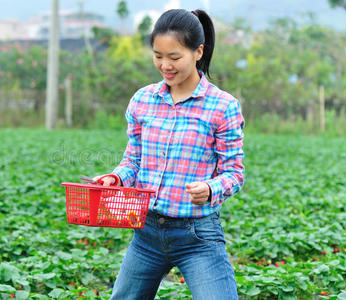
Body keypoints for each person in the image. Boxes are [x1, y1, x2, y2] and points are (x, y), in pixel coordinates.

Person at [93, 8, 244, 300]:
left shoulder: (223, 107)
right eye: (158, 56)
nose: (165, 65)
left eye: (174, 57)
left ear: (198, 52)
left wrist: (211, 188)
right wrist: (116, 178)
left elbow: (234, 173)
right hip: (146, 232)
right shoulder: (143, 100)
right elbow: (133, 161)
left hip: (197, 235)